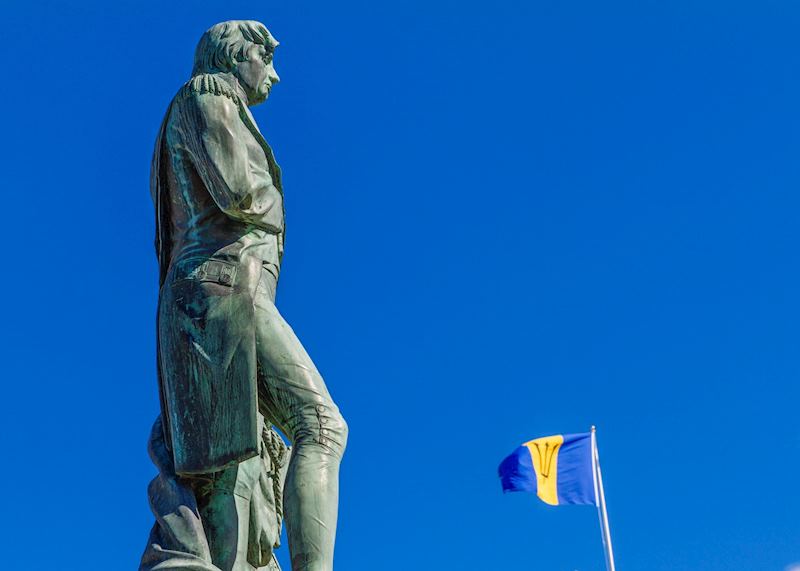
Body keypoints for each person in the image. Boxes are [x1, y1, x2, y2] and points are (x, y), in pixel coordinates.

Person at [147, 20, 348, 571]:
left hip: (220, 300)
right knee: (322, 424)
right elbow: (242, 192)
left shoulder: (210, 102)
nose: (276, 76)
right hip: (223, 294)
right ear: (235, 57)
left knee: (240, 467)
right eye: (267, 59)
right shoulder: (206, 97)